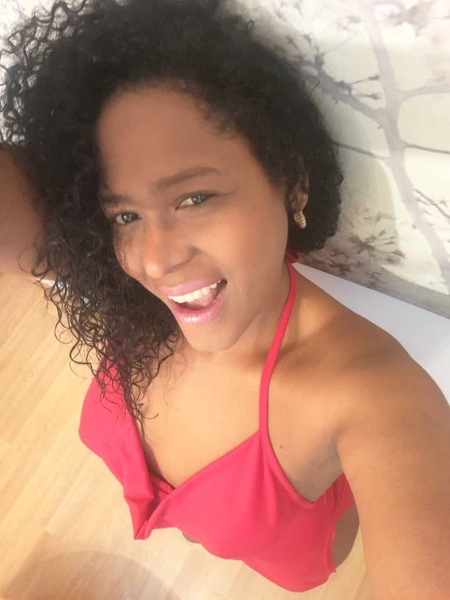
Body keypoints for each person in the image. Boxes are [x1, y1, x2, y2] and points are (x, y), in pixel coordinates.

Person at [1, 0, 449, 597]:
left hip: (295, 554)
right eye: (126, 214)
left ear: (291, 183)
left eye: (195, 198)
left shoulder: (372, 394)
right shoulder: (122, 285)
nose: (155, 260)